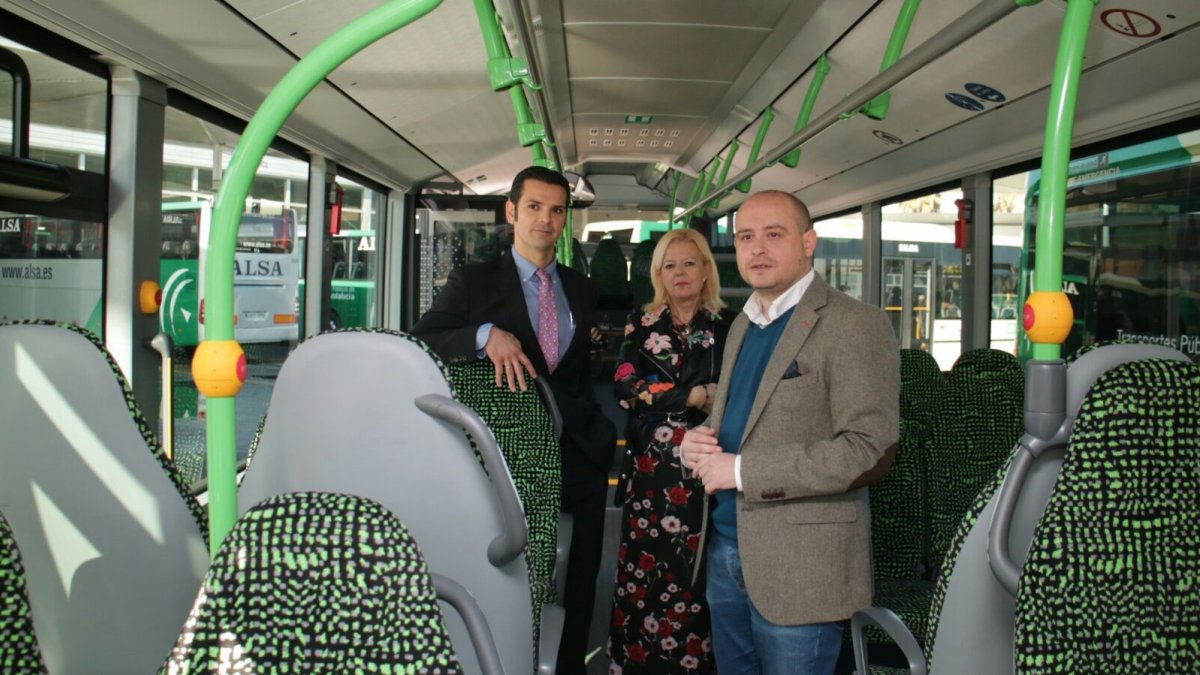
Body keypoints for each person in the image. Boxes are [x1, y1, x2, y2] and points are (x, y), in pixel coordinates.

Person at [681, 190, 900, 675]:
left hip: (802, 566)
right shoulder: (742, 324)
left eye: (774, 235)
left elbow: (871, 450)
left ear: (808, 242)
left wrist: (741, 470)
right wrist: (698, 441)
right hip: (725, 551)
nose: (757, 249)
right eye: (745, 237)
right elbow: (744, 422)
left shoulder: (853, 325)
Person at [411, 165, 616, 675]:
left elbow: (572, 368)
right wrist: (484, 335)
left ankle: (568, 665)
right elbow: (421, 340)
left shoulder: (580, 287)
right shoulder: (474, 280)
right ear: (511, 211)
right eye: (534, 207)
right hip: (512, 454)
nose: (545, 220)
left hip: (582, 451)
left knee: (581, 576)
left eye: (556, 211)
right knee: (521, 570)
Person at [607, 228, 729, 674]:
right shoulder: (640, 324)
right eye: (670, 265)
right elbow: (625, 388)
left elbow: (738, 395)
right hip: (650, 474)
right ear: (659, 273)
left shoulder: (728, 328)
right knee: (642, 580)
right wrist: (692, 398)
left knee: (695, 579)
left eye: (689, 263)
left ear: (705, 271)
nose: (680, 273)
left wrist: (666, 398)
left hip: (705, 470)